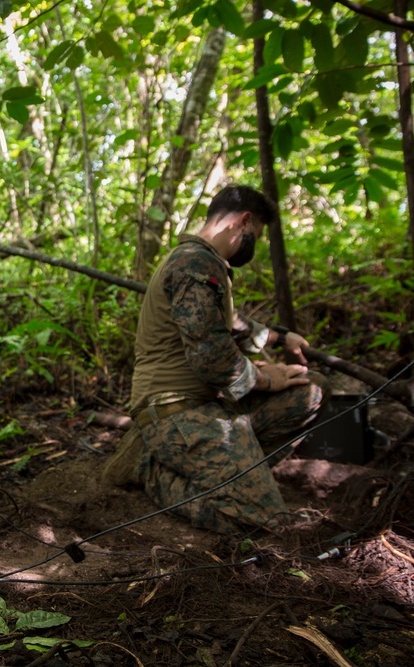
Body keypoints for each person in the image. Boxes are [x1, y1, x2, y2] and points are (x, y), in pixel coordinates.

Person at [104, 185, 327, 533]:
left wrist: (281, 338)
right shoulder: (195, 263)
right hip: (176, 410)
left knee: (310, 391)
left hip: (209, 404)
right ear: (244, 221)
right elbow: (213, 358)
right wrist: (268, 378)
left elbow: (231, 326)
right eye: (256, 234)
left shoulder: (205, 263)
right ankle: (152, 471)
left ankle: (238, 473)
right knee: (266, 522)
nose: (256, 242)